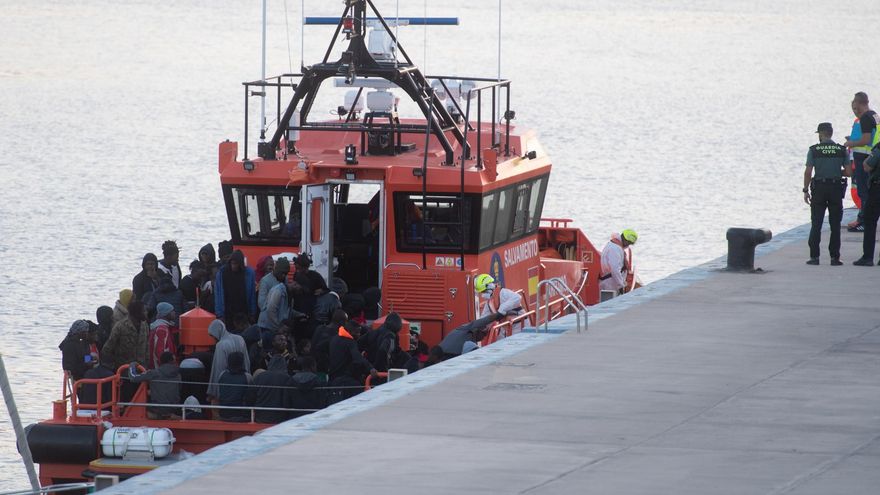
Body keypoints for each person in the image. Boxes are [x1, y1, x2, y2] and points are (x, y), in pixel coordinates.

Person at [803, 122, 850, 265]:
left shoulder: (814, 150)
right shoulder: (841, 150)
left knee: (816, 223)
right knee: (835, 224)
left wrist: (805, 190)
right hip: (835, 188)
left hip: (819, 189)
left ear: (822, 134)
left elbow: (808, 172)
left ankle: (814, 257)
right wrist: (836, 172)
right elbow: (848, 172)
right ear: (831, 133)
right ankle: (835, 258)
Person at [844, 92, 878, 232]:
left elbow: (865, 140)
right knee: (869, 192)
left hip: (864, 159)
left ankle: (864, 221)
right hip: (873, 157)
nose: (855, 111)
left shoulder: (865, 118)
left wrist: (851, 143)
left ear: (859, 103)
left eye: (855, 107)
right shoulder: (874, 115)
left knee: (863, 192)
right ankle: (864, 219)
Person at [328, 320, 377, 399]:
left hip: (332, 380)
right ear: (350, 332)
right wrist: (370, 367)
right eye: (357, 332)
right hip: (344, 380)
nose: (359, 335)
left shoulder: (335, 338)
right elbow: (358, 358)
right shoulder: (350, 342)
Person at [206, 319, 251, 400]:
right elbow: (246, 361)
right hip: (243, 380)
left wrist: (215, 392)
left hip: (228, 383)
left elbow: (218, 369)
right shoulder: (240, 338)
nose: (213, 338)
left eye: (212, 335)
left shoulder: (220, 345)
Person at [129, 351, 181, 419]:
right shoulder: (178, 375)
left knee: (138, 407)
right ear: (173, 361)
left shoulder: (154, 373)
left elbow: (133, 378)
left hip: (158, 409)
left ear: (161, 361)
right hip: (175, 409)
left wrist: (132, 365)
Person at [853, 141, 880, 266]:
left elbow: (867, 166)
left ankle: (868, 257)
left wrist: (865, 161)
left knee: (870, 222)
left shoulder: (879, 148)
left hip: (877, 189)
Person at [102, 299, 149, 370]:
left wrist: (147, 363)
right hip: (124, 368)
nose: (147, 313)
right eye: (144, 311)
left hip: (141, 367)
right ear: (137, 313)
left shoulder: (144, 325)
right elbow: (107, 348)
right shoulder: (120, 326)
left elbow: (147, 345)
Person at [214, 250, 257, 322]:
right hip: (228, 310)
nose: (234, 266)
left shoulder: (249, 274)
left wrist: (252, 313)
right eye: (232, 263)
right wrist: (219, 314)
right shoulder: (222, 273)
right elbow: (218, 294)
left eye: (236, 264)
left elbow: (252, 294)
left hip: (243, 309)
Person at [438, 312, 502, 360]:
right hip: (445, 355)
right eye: (484, 334)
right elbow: (485, 320)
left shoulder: (470, 338)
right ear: (478, 331)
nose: (484, 338)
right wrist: (499, 314)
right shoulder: (467, 328)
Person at [245, 355, 290, 423]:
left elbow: (250, 397)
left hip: (260, 418)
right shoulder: (287, 378)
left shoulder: (260, 376)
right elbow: (289, 400)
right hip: (280, 419)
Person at [599, 229, 638, 295]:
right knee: (610, 303)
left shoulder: (614, 245)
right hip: (611, 284)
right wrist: (621, 285)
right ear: (625, 240)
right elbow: (615, 270)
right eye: (629, 243)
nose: (628, 245)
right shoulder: (615, 249)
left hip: (612, 282)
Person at [216, 351, 252, 421]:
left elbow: (218, 395)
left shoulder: (222, 374)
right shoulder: (247, 377)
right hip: (240, 415)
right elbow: (250, 397)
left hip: (223, 414)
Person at [312, 309, 347, 374]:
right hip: (326, 368)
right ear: (341, 322)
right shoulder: (337, 335)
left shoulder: (319, 328)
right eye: (345, 321)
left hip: (314, 365)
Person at [149, 302, 177, 369]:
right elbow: (160, 353)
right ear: (166, 313)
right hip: (161, 370)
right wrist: (166, 369)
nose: (175, 312)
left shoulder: (164, 328)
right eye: (172, 311)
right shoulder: (162, 330)